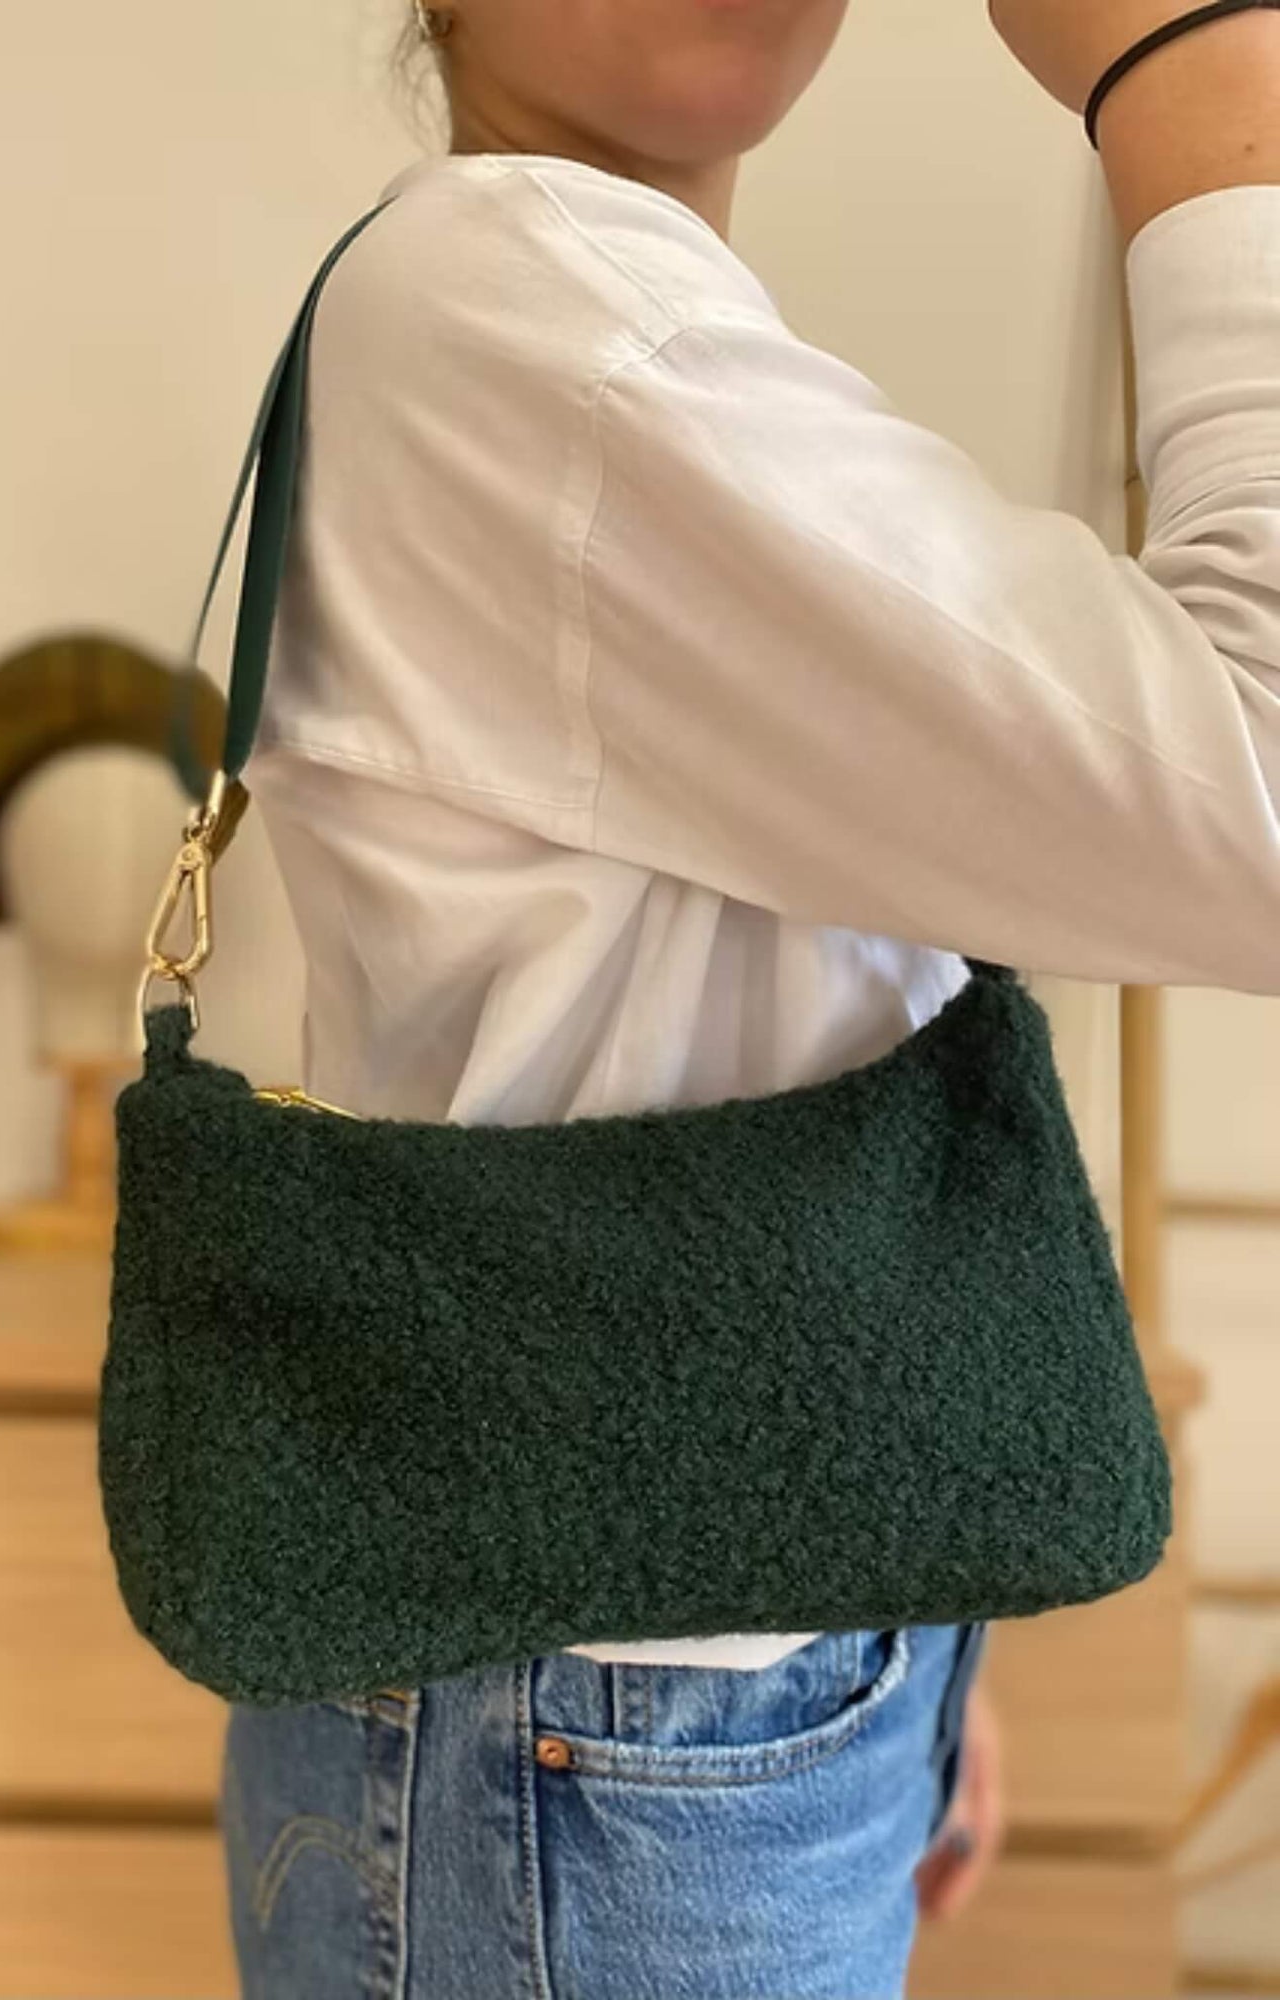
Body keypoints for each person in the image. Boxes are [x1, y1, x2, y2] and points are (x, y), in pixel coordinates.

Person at [217, 0, 1280, 1992]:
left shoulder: (593, 316)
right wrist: (1197, 71)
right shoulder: (543, 315)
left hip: (634, 1675)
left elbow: (749, 983)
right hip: (602, 1722)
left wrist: (880, 1589)